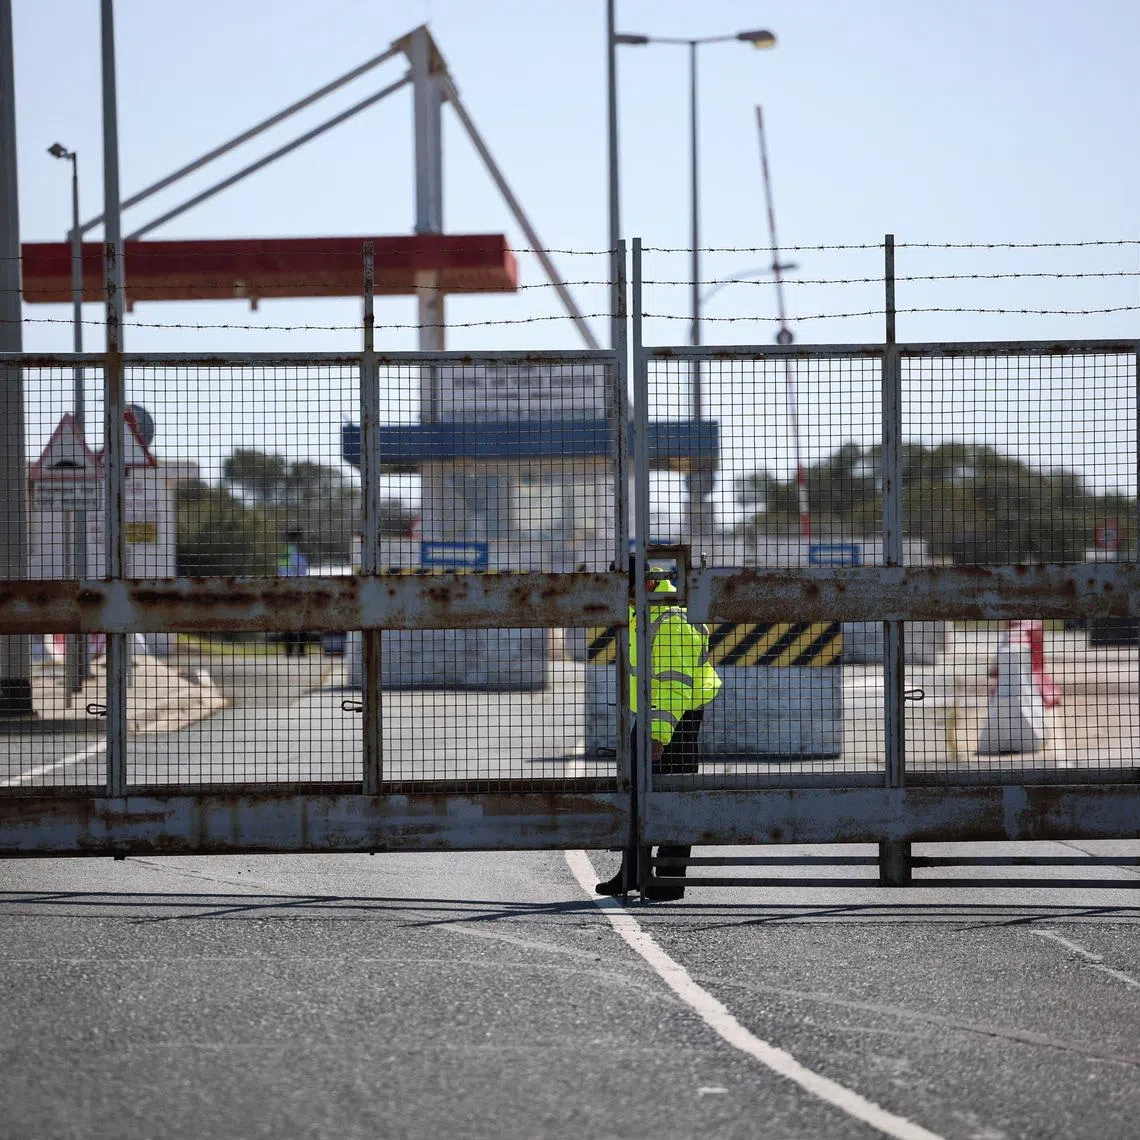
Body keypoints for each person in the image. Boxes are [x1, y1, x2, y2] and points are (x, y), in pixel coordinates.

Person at [595, 561, 722, 901]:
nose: (624, 599)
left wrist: (657, 736)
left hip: (674, 719)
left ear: (645, 586)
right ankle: (633, 873)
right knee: (638, 791)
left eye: (627, 590)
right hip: (658, 715)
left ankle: (668, 881)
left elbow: (673, 686)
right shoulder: (648, 615)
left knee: (673, 796)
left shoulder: (669, 621)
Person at [276, 528, 310, 656]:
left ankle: (288, 651)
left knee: (287, 621)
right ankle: (301, 650)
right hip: (297, 590)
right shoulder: (296, 554)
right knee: (302, 621)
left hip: (285, 591)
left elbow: (279, 572)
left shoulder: (284, 554)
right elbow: (302, 572)